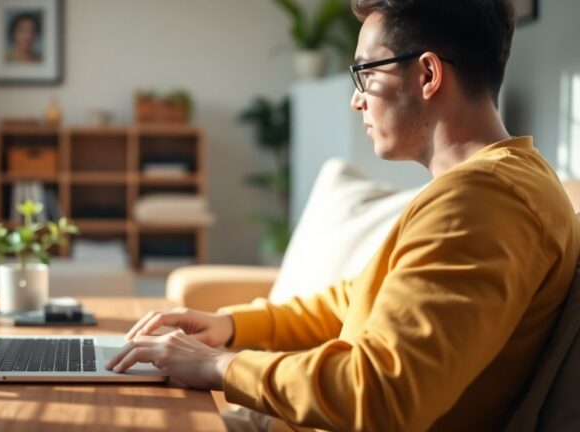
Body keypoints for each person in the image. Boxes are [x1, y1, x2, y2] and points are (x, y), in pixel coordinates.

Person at [105, 0, 580, 430]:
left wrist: (217, 365)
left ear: (428, 74)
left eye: (366, 74)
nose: (357, 99)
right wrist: (231, 327)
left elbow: (381, 393)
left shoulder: (484, 201)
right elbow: (358, 298)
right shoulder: (498, 183)